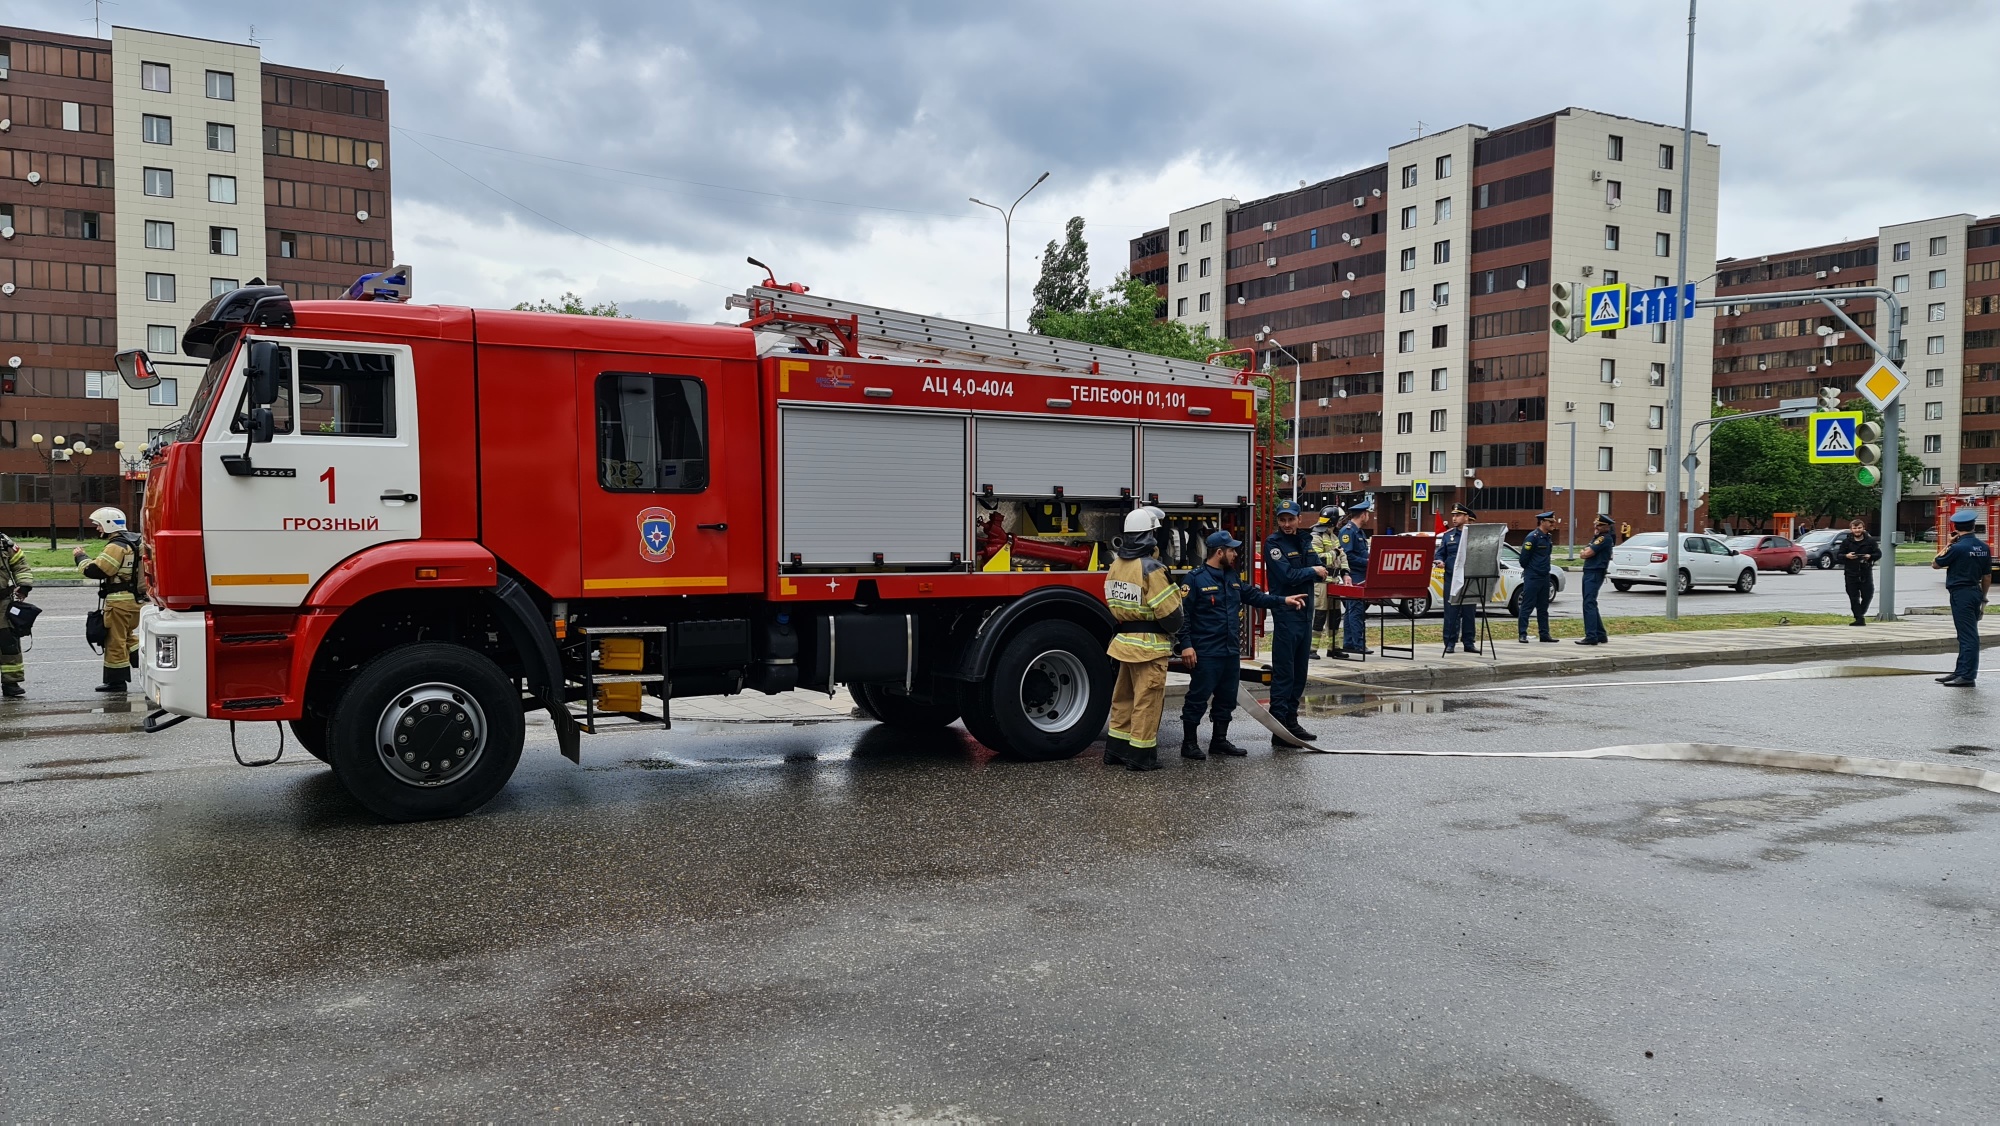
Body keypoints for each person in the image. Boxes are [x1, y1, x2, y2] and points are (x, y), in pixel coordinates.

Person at [1176, 531, 1305, 759]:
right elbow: (1183, 616)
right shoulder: (1195, 579)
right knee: (1197, 699)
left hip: (1229, 651)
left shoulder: (1232, 578)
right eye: (1231, 550)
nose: (1235, 554)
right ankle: (1189, 744)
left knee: (1226, 699)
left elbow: (1255, 597)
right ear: (1219, 552)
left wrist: (1283, 600)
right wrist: (1186, 645)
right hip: (1206, 652)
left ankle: (1219, 741)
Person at [1102, 505, 1184, 769]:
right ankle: (1141, 757)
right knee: (1146, 702)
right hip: (1149, 648)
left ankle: (1115, 751)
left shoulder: (1116, 565)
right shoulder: (1152, 568)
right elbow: (1171, 615)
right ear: (1150, 536)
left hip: (1124, 644)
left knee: (1123, 699)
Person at [1262, 499, 1327, 742]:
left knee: (1300, 673)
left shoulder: (1304, 540)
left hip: (1305, 615)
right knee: (1285, 674)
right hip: (1286, 614)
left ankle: (1291, 721)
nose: (1287, 524)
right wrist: (1312, 572)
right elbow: (1288, 575)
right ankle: (1279, 729)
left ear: (1299, 519)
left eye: (1291, 519)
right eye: (1282, 519)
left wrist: (1314, 570)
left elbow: (1319, 568)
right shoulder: (1274, 543)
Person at [74, 506, 142, 694]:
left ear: (108, 524)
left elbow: (98, 570)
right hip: (136, 601)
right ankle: (148, 666)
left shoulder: (116, 546)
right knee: (128, 637)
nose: (97, 528)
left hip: (119, 603)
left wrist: (80, 557)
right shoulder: (138, 541)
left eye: (99, 525)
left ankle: (116, 682)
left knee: (114, 640)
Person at [1932, 508, 1990, 688]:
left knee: (1968, 636)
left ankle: (1967, 676)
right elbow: (1987, 576)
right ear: (1973, 526)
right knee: (1965, 634)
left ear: (1955, 528)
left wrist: (1948, 544)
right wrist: (1984, 597)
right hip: (1975, 592)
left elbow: (1935, 563)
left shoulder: (1957, 548)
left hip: (1961, 594)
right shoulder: (1983, 547)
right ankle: (1960, 671)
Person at [1434, 502, 1480, 655]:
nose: (1454, 518)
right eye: (1453, 515)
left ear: (1467, 517)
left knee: (1469, 612)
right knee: (1451, 612)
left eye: (1458, 515)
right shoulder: (1448, 536)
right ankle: (1449, 643)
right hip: (1452, 579)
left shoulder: (1474, 535)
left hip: (1469, 578)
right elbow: (1440, 553)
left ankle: (1469, 642)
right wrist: (1439, 560)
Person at [1336, 498, 1375, 659]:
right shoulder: (1348, 531)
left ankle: (1350, 643)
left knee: (1353, 611)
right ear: (1363, 514)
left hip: (1361, 575)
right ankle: (1358, 644)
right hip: (1353, 576)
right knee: (1355, 611)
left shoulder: (1358, 531)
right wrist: (1369, 562)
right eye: (1368, 514)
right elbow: (1348, 556)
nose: (1368, 517)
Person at [1516, 511, 1558, 644]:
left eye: (1553, 522)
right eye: (1550, 522)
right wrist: (1532, 570)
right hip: (1533, 576)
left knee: (1543, 607)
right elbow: (1524, 559)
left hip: (1545, 576)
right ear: (1542, 522)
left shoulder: (1547, 537)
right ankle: (1522, 634)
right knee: (1527, 606)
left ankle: (1544, 634)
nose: (1553, 524)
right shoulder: (1532, 537)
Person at [1574, 514, 1616, 646]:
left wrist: (1584, 552)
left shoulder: (1604, 539)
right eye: (1595, 524)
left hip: (1594, 572)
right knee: (1591, 602)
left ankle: (1591, 636)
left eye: (1599, 525)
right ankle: (1600, 634)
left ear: (1606, 527)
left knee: (1589, 604)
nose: (1596, 527)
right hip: (1591, 572)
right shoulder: (1598, 538)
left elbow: (1587, 553)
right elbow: (1586, 551)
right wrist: (1585, 552)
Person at [1308, 505, 1344, 657]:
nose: (1340, 523)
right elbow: (1317, 559)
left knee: (1335, 616)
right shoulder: (1315, 537)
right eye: (1339, 520)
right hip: (1321, 584)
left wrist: (1346, 572)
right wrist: (1334, 553)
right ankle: (1311, 649)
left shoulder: (1334, 537)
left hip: (1334, 582)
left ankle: (1334, 648)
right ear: (1333, 520)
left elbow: (1343, 557)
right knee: (1319, 616)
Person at [0, 532, 30, 698]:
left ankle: (11, 682)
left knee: (8, 642)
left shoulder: (4, 543)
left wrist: (24, 586)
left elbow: (20, 565)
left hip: (2, 603)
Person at [1835, 517, 1881, 625]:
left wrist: (1870, 556)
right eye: (1855, 528)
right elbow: (1839, 556)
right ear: (1851, 529)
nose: (1857, 530)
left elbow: (1878, 554)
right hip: (1851, 573)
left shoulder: (1870, 541)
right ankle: (1859, 618)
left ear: (1863, 528)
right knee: (1853, 597)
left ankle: (1861, 613)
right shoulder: (1846, 542)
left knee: (1868, 595)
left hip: (1865, 572)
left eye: (1859, 528)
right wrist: (1847, 556)